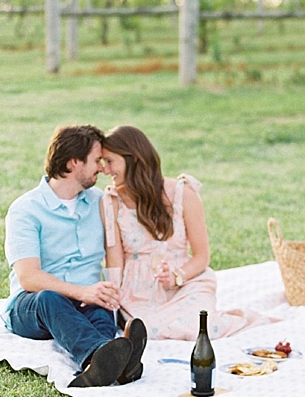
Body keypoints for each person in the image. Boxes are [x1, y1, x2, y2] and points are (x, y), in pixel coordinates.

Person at [3, 124, 146, 387]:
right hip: (33, 306)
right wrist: (82, 292)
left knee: (102, 305)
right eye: (96, 161)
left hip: (86, 302)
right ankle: (101, 354)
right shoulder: (26, 209)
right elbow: (28, 278)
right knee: (50, 298)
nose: (102, 169)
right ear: (73, 163)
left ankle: (108, 362)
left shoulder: (98, 201)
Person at [99, 125, 271, 339]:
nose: (104, 170)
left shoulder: (183, 193)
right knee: (150, 331)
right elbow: (114, 261)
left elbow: (202, 256)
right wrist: (113, 299)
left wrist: (176, 276)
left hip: (186, 283)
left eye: (109, 161)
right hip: (138, 292)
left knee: (200, 327)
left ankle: (245, 321)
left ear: (132, 158)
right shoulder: (111, 201)